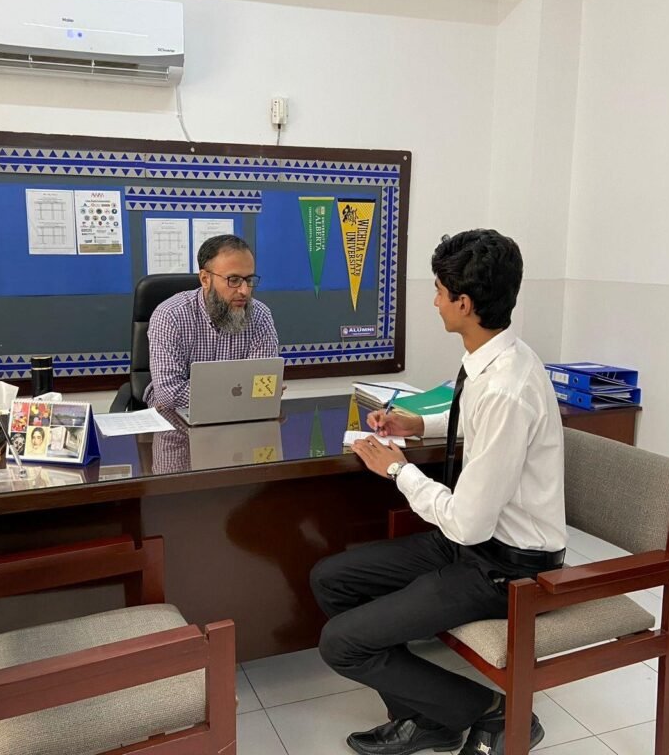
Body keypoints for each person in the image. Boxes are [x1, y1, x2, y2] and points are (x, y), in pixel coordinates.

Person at [310, 229, 567, 755]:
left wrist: (398, 471)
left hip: (506, 564)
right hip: (475, 542)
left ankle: (488, 710)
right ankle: (427, 717)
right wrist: (414, 425)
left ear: (464, 303)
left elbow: (468, 522)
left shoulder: (506, 387)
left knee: (341, 643)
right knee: (331, 579)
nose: (433, 301)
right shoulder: (499, 359)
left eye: (438, 291)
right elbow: (482, 435)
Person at [143, 234, 280, 410]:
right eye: (234, 280)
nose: (245, 291)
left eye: (249, 279)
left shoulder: (260, 315)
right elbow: (169, 394)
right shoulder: (170, 316)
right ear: (205, 279)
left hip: (240, 420)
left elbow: (264, 387)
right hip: (174, 422)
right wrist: (240, 392)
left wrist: (258, 391)